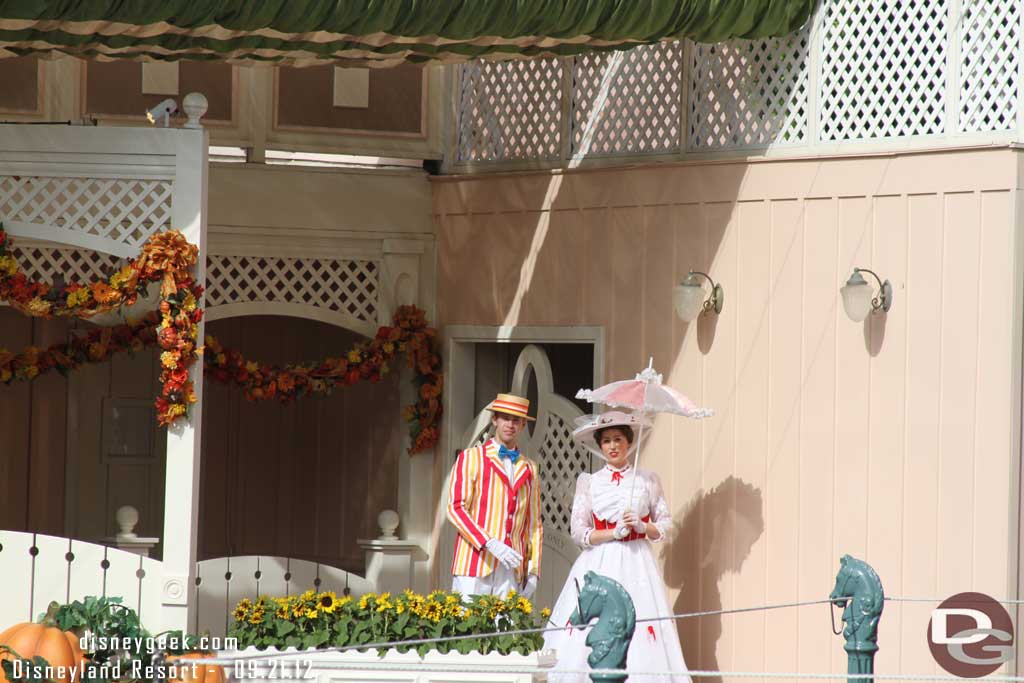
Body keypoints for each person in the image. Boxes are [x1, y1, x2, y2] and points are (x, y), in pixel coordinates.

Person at [543, 411, 691, 683]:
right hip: (601, 561)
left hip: (637, 560)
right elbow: (579, 531)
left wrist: (641, 526)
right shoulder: (589, 482)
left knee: (642, 621)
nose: (613, 446)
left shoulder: (647, 480)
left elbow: (667, 525)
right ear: (600, 445)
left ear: (628, 442)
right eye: (607, 440)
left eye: (618, 439)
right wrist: (613, 532)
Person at [446, 393, 543, 598]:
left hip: (511, 567)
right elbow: (455, 508)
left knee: (505, 629)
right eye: (505, 418)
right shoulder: (471, 457)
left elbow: (533, 524)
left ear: (523, 425)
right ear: (495, 420)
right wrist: (489, 542)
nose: (510, 424)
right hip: (474, 562)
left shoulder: (530, 468)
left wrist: (533, 570)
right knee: (469, 627)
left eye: (516, 420)